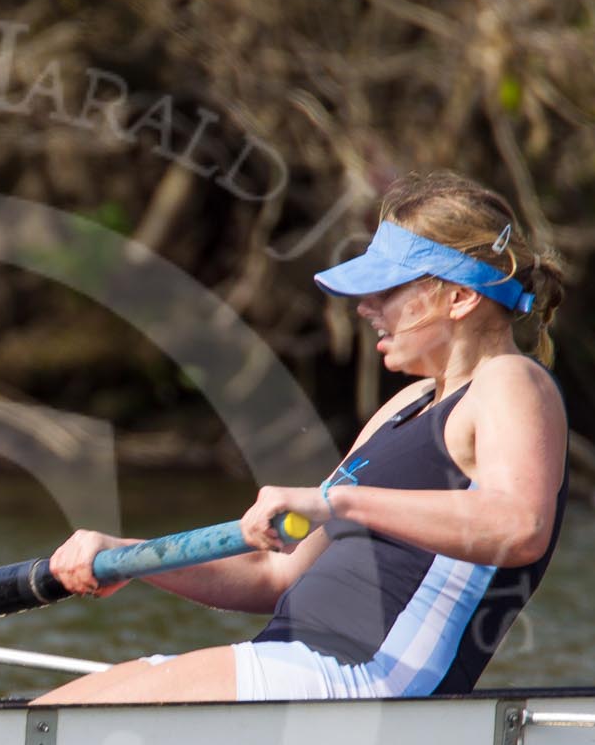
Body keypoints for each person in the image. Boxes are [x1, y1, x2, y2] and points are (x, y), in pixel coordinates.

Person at [39, 170, 568, 705]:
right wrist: (132, 556)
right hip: (293, 665)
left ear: (458, 297)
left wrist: (338, 501)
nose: (366, 308)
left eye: (387, 290)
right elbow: (275, 571)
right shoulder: (404, 407)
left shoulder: (510, 381)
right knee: (51, 714)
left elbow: (520, 525)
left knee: (68, 722)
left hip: (366, 682)